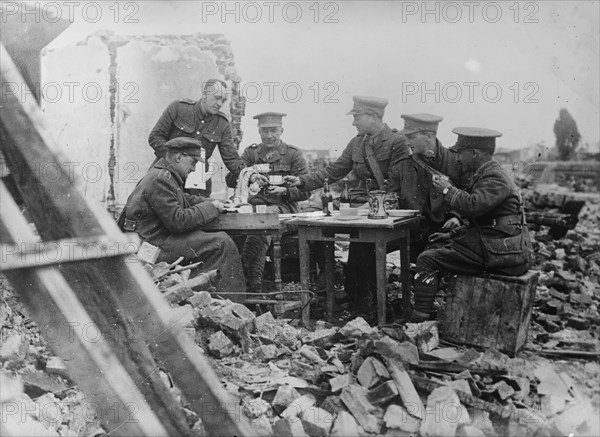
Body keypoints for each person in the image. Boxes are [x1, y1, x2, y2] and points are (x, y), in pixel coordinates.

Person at [285, 96, 411, 316]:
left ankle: (370, 306)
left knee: (362, 247)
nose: (353, 122)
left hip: (387, 209)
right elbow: (334, 170)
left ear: (373, 117)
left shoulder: (397, 142)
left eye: (357, 117)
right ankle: (356, 299)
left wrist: (369, 207)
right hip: (359, 207)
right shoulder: (357, 143)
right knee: (324, 232)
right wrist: (302, 181)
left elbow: (396, 184)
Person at [410, 127, 532, 322]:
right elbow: (484, 221)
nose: (457, 159)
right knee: (436, 246)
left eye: (460, 153)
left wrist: (447, 190)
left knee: (427, 259)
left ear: (474, 153)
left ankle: (419, 320)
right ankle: (429, 308)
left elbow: (472, 206)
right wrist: (450, 236)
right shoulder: (486, 173)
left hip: (502, 253)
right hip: (498, 245)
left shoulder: (495, 177)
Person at [121, 137, 246, 302]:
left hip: (153, 238)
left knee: (213, 239)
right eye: (193, 162)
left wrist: (217, 203)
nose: (194, 169)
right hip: (152, 245)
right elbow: (178, 221)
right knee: (222, 242)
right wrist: (212, 208)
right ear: (178, 157)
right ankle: (232, 303)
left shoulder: (163, 175)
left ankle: (209, 295)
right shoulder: (161, 179)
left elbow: (184, 199)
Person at [227, 112, 309, 292]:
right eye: (264, 131)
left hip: (284, 210)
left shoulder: (293, 155)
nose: (269, 135)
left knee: (261, 227)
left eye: (273, 130)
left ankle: (247, 276)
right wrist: (248, 176)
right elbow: (231, 179)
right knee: (248, 226)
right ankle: (252, 283)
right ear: (259, 131)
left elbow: (306, 190)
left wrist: (285, 191)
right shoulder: (251, 153)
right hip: (254, 208)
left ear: (281, 130)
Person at [148, 79, 245, 196]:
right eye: (216, 97)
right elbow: (155, 136)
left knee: (200, 210)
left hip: (198, 181)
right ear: (204, 95)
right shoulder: (179, 108)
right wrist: (175, 159)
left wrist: (249, 174)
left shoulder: (222, 123)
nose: (220, 103)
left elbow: (231, 158)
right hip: (166, 173)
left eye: (223, 100)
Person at [389, 113, 465, 260]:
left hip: (444, 233)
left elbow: (470, 195)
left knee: (428, 261)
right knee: (363, 247)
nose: (406, 143)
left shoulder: (456, 162)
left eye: (411, 137)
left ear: (429, 136)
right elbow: (391, 197)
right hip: (411, 232)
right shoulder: (401, 167)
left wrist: (458, 217)